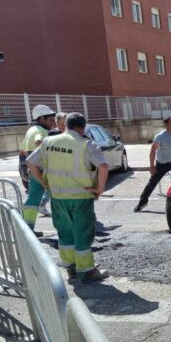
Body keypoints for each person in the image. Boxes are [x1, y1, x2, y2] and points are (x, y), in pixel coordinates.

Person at [26, 112, 110, 283]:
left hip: (57, 197)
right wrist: (99, 189)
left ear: (66, 125)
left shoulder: (48, 142)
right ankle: (86, 271)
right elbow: (103, 166)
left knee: (64, 234)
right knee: (82, 232)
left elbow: (30, 162)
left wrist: (44, 184)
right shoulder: (86, 144)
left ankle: (71, 268)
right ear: (82, 127)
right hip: (81, 197)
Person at [134, 116, 171, 212]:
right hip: (162, 163)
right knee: (152, 183)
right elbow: (153, 150)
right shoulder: (160, 136)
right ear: (166, 125)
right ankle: (142, 203)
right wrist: (152, 166)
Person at [20, 105, 56, 232]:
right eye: (51, 120)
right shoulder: (41, 131)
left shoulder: (31, 130)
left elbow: (23, 149)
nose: (53, 123)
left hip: (32, 170)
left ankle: (27, 229)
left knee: (32, 200)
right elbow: (38, 142)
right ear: (41, 118)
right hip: (42, 171)